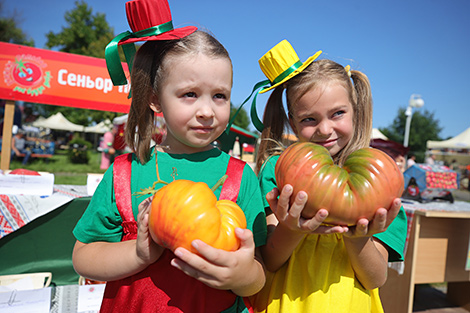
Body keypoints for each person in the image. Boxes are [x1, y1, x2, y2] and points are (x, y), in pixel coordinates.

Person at [72, 1, 266, 312]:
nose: (206, 111)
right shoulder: (125, 173)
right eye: (190, 94)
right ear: (155, 100)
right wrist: (138, 254)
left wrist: (242, 275)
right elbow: (83, 257)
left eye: (220, 95)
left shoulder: (241, 178)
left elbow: (260, 273)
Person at [245, 40, 407, 312]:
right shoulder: (278, 170)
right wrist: (290, 228)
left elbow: (376, 278)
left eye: (338, 114)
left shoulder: (380, 181)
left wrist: (357, 237)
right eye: (309, 119)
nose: (324, 129)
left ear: (355, 111)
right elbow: (269, 261)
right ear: (293, 122)